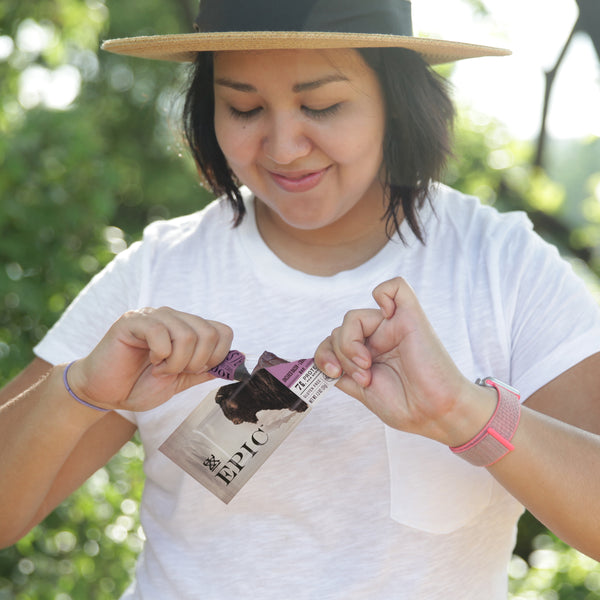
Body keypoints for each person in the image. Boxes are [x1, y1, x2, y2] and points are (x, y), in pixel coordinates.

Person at [2, 0, 600, 598]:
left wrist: (464, 414)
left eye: (322, 105)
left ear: (396, 98)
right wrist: (78, 391)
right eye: (243, 107)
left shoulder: (501, 266)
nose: (283, 148)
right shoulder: (156, 271)